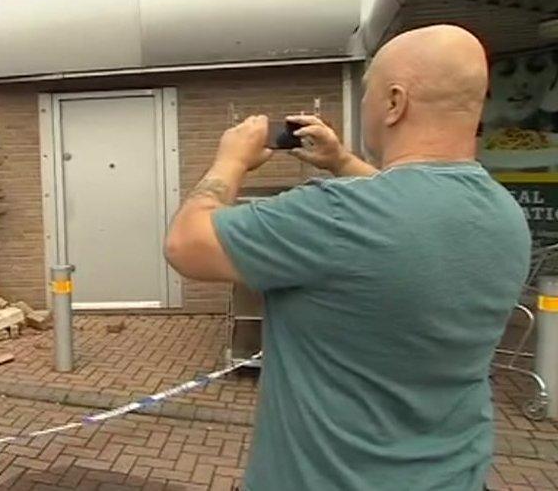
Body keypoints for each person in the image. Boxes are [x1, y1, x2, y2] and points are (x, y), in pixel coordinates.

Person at [164, 24, 531, 491]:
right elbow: (409, 210)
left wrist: (229, 160)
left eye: (368, 94)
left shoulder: (334, 214)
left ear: (395, 103)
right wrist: (341, 161)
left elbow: (185, 243)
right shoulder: (504, 214)